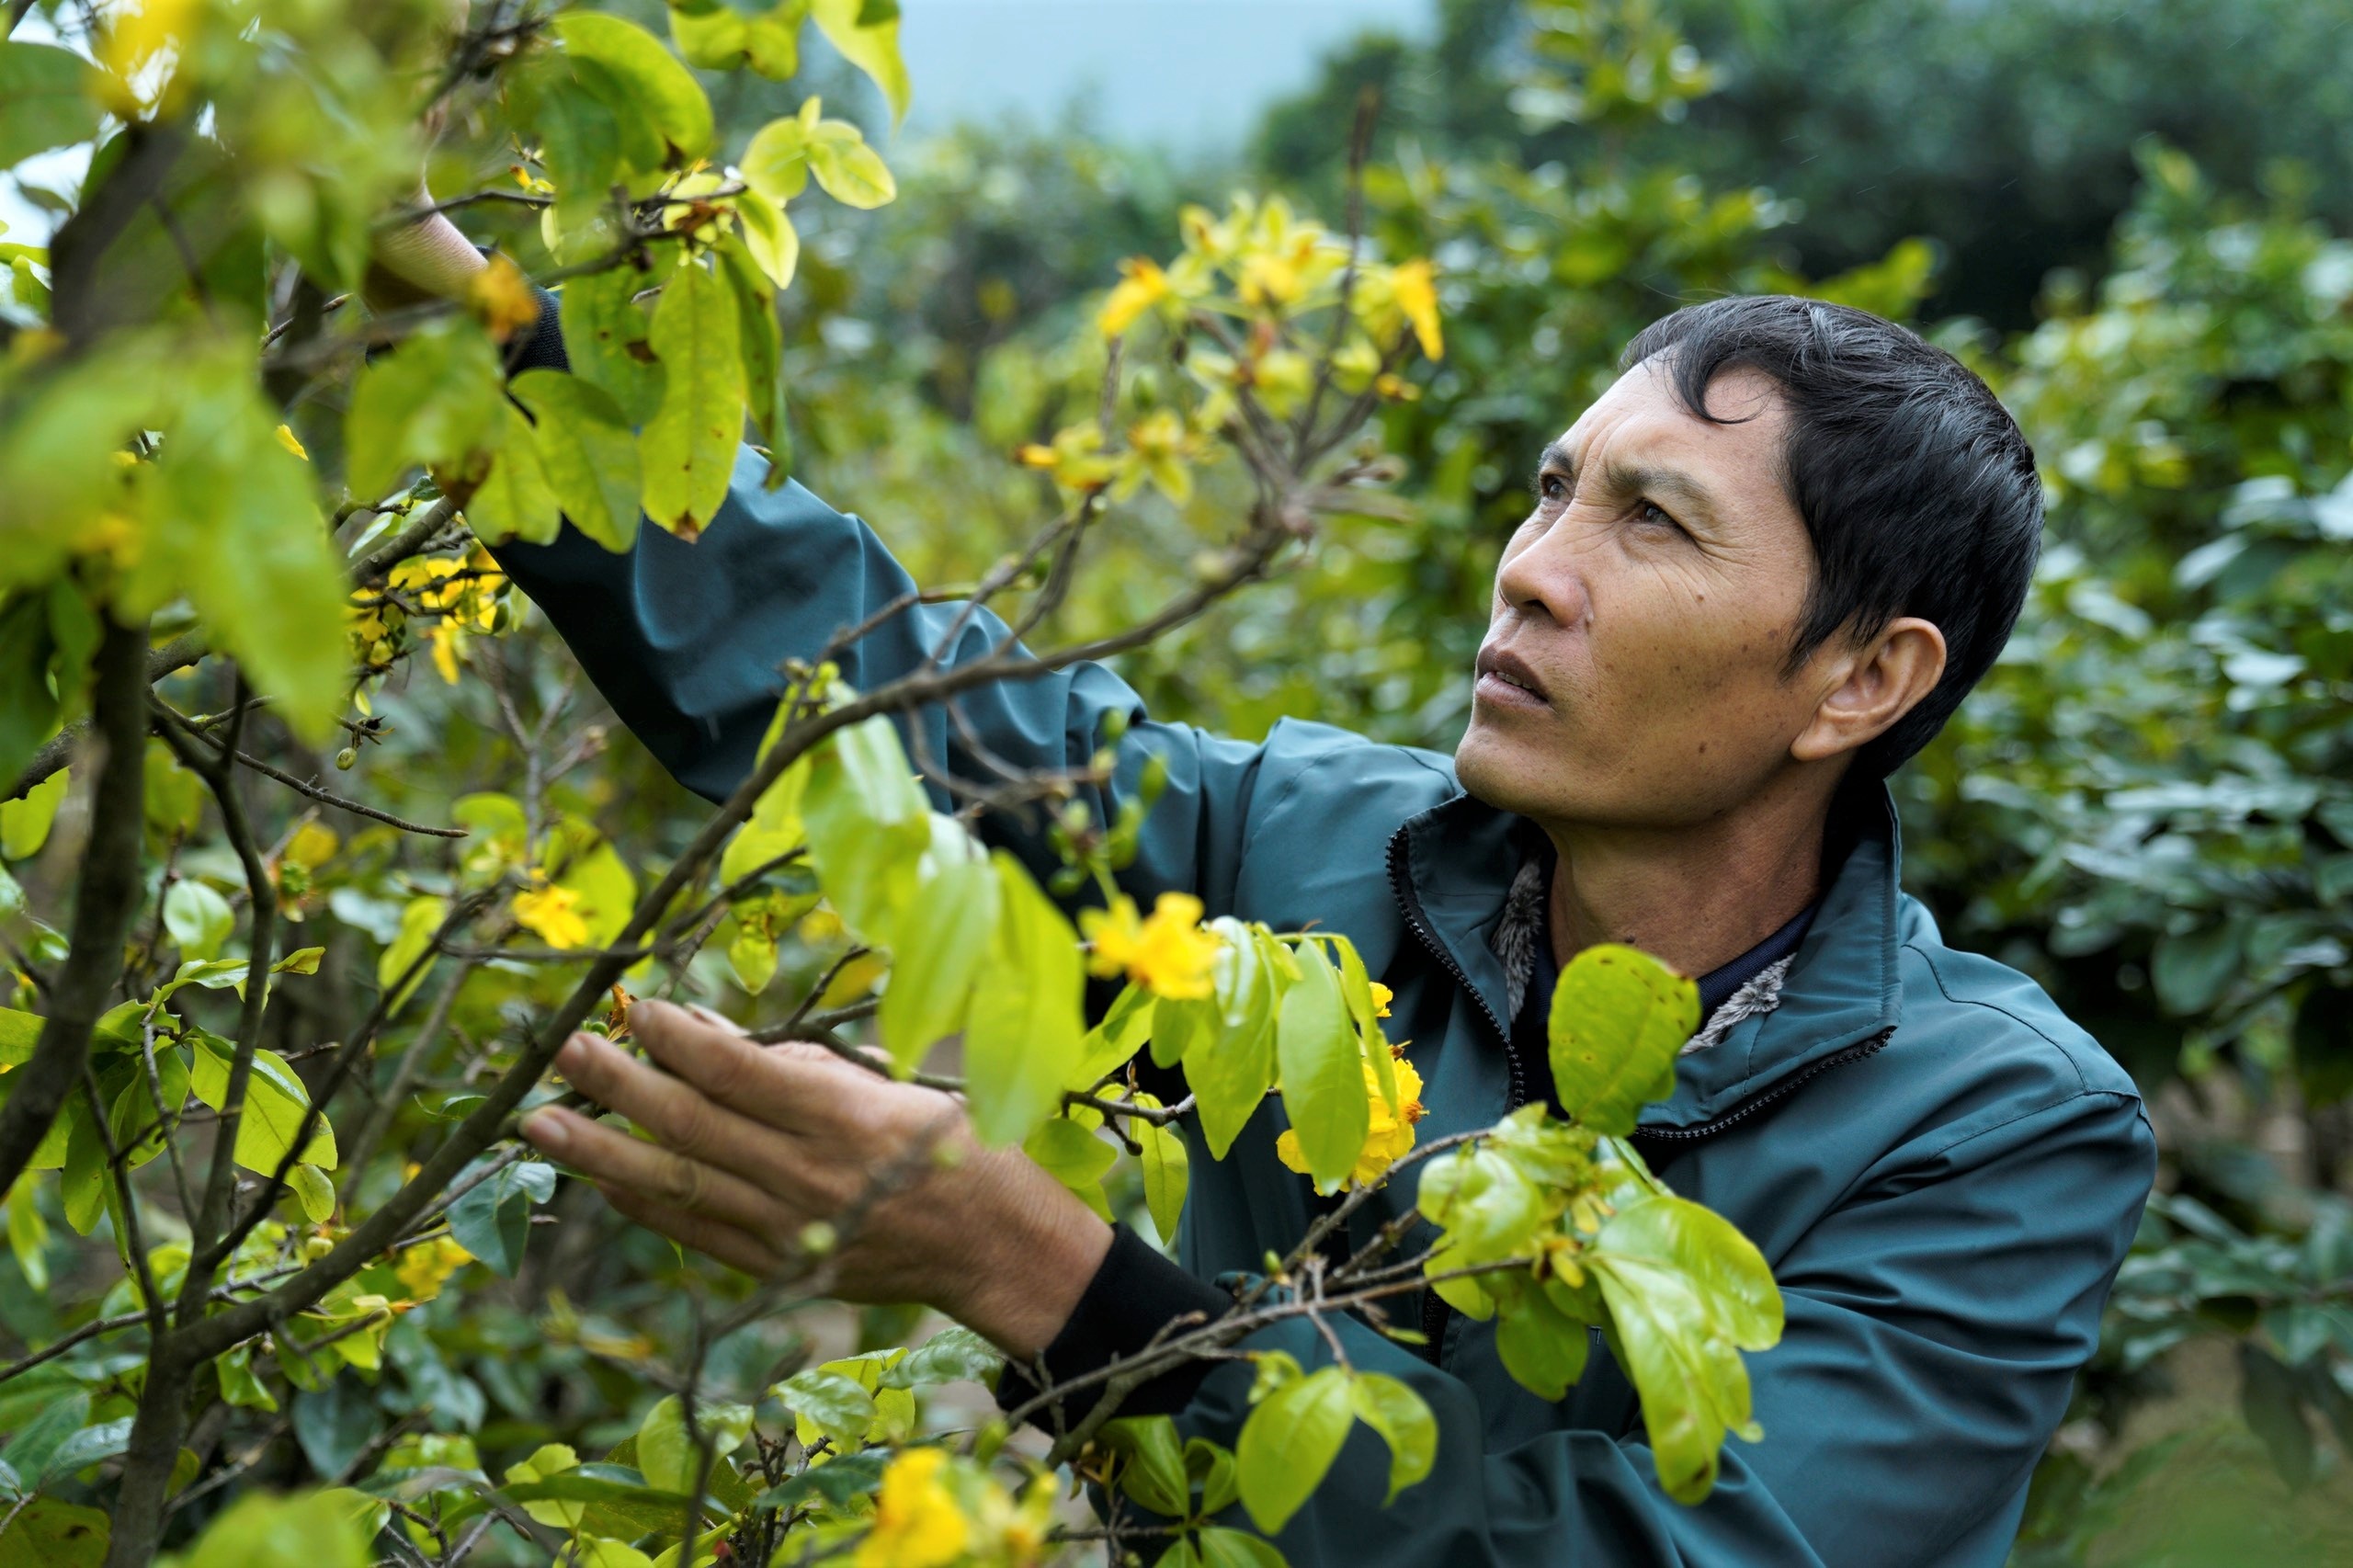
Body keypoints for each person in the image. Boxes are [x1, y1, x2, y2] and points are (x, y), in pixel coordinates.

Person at [370, 217, 2156, 1567]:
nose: (1531, 573)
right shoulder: (1301, 850)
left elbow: (1652, 1549)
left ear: (1859, 679)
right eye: (1550, 494)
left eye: (1651, 524)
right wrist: (488, 340)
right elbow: (896, 697)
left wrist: (1035, 1265)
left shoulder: (1992, 1124)